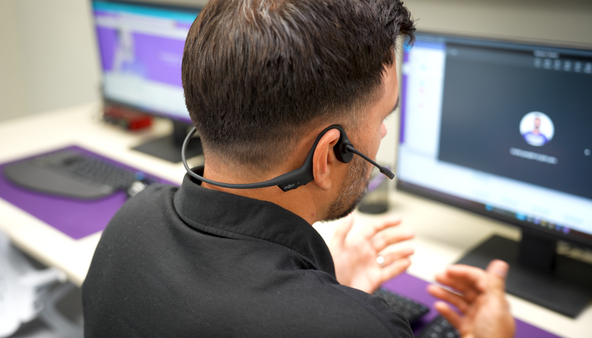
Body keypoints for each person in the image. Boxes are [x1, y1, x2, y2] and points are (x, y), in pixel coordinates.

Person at [82, 0, 515, 337]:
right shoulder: (359, 330)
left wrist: (328, 292)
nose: (382, 135)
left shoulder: (128, 225)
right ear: (329, 155)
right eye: (383, 117)